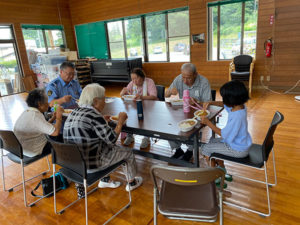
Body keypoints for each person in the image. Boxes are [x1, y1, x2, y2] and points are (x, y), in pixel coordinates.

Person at [63, 83, 143, 198]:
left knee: (102, 147)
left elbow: (92, 133)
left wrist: (102, 121)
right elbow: (111, 139)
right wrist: (120, 122)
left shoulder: (74, 113)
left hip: (75, 164)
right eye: (104, 98)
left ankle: (105, 180)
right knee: (128, 152)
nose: (105, 102)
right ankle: (132, 182)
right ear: (95, 101)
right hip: (93, 165)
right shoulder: (94, 116)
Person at [200, 80, 252, 186]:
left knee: (205, 149)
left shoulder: (237, 116)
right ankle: (222, 170)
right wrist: (211, 102)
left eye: (224, 98)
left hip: (237, 149)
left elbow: (223, 134)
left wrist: (207, 122)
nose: (223, 100)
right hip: (240, 143)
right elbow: (224, 105)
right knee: (212, 141)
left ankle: (215, 178)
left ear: (231, 100)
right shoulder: (239, 106)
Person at [165, 63, 211, 161]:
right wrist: (169, 92)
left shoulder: (204, 82)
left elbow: (208, 102)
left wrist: (196, 101)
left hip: (197, 113)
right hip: (183, 111)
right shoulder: (178, 79)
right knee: (168, 124)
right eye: (183, 77)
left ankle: (190, 151)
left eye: (189, 78)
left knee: (195, 127)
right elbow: (166, 95)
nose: (185, 81)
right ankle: (178, 150)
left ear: (195, 74)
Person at [14, 88, 64, 157]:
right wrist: (59, 116)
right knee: (63, 137)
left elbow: (41, 126)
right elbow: (55, 132)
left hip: (22, 149)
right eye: (47, 101)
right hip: (34, 150)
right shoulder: (35, 116)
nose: (48, 104)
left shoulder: (27, 112)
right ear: (39, 104)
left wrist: (53, 118)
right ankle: (67, 162)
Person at [120, 68, 157, 148]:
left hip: (148, 107)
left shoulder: (149, 82)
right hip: (136, 106)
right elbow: (125, 94)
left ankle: (146, 137)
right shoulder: (132, 83)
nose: (134, 81)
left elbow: (154, 96)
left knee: (146, 118)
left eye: (136, 78)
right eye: (132, 79)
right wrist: (122, 93)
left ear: (142, 77)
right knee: (128, 115)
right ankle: (130, 136)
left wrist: (142, 97)